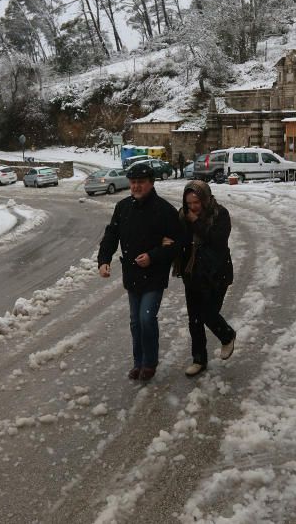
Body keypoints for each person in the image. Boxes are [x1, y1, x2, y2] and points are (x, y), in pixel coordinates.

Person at [97, 161, 180, 381]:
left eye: (141, 182)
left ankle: (150, 363)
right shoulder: (123, 207)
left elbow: (177, 245)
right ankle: (138, 362)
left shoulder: (165, 210)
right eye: (133, 182)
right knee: (135, 322)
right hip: (132, 274)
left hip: (154, 275)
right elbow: (111, 235)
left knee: (146, 318)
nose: (136, 186)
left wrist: (153, 256)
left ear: (151, 183)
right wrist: (104, 260)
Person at [170, 180, 236, 377]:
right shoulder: (182, 216)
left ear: (205, 199)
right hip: (192, 274)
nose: (192, 207)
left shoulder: (219, 215)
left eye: (196, 202)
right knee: (195, 320)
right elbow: (179, 240)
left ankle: (227, 335)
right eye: (189, 203)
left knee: (208, 313)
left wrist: (196, 222)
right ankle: (199, 359)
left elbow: (216, 241)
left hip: (217, 274)